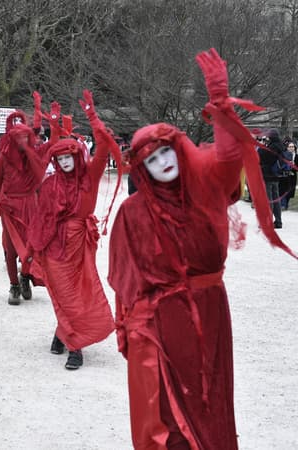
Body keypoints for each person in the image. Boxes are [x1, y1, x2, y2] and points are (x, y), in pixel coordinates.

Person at [109, 49, 293, 450]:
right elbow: (126, 282)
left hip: (209, 312)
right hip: (162, 321)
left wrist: (222, 103)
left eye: (166, 152)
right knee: (169, 415)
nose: (162, 162)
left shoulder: (205, 191)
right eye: (152, 158)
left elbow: (229, 158)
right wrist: (134, 328)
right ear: (143, 168)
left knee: (209, 400)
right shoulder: (132, 212)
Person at [25, 90, 118, 370]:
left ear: (77, 157)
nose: (65, 162)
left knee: (79, 293)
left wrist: (92, 115)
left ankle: (61, 335)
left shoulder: (89, 177)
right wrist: (31, 251)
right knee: (62, 292)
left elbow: (104, 144)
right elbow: (40, 219)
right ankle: (75, 347)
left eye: (69, 157)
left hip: (79, 246)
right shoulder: (51, 185)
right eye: (60, 158)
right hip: (55, 246)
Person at [0, 109, 46, 304]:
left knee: (31, 248)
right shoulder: (3, 156)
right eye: (18, 137)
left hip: (31, 206)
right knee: (11, 248)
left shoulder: (34, 156)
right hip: (9, 207)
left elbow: (52, 148)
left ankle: (25, 277)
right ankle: (14, 285)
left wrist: (46, 119)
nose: (21, 141)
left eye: (25, 136)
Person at [258, 129, 286, 228]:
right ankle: (278, 221)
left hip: (268, 176)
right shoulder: (281, 146)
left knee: (268, 200)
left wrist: (262, 145)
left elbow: (261, 157)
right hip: (276, 176)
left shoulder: (271, 147)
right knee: (276, 199)